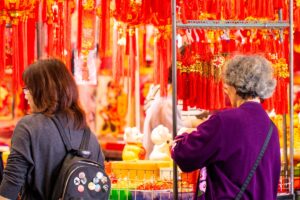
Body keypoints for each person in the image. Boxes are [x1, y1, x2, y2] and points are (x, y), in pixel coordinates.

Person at [171, 55, 280, 199]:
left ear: (235, 85)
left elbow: (184, 154)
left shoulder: (225, 121)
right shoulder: (271, 128)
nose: (226, 91)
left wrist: (183, 134)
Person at [0, 59, 106, 199]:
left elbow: (9, 191)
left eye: (28, 88)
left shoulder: (28, 127)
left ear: (41, 91)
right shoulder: (89, 135)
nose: (25, 94)